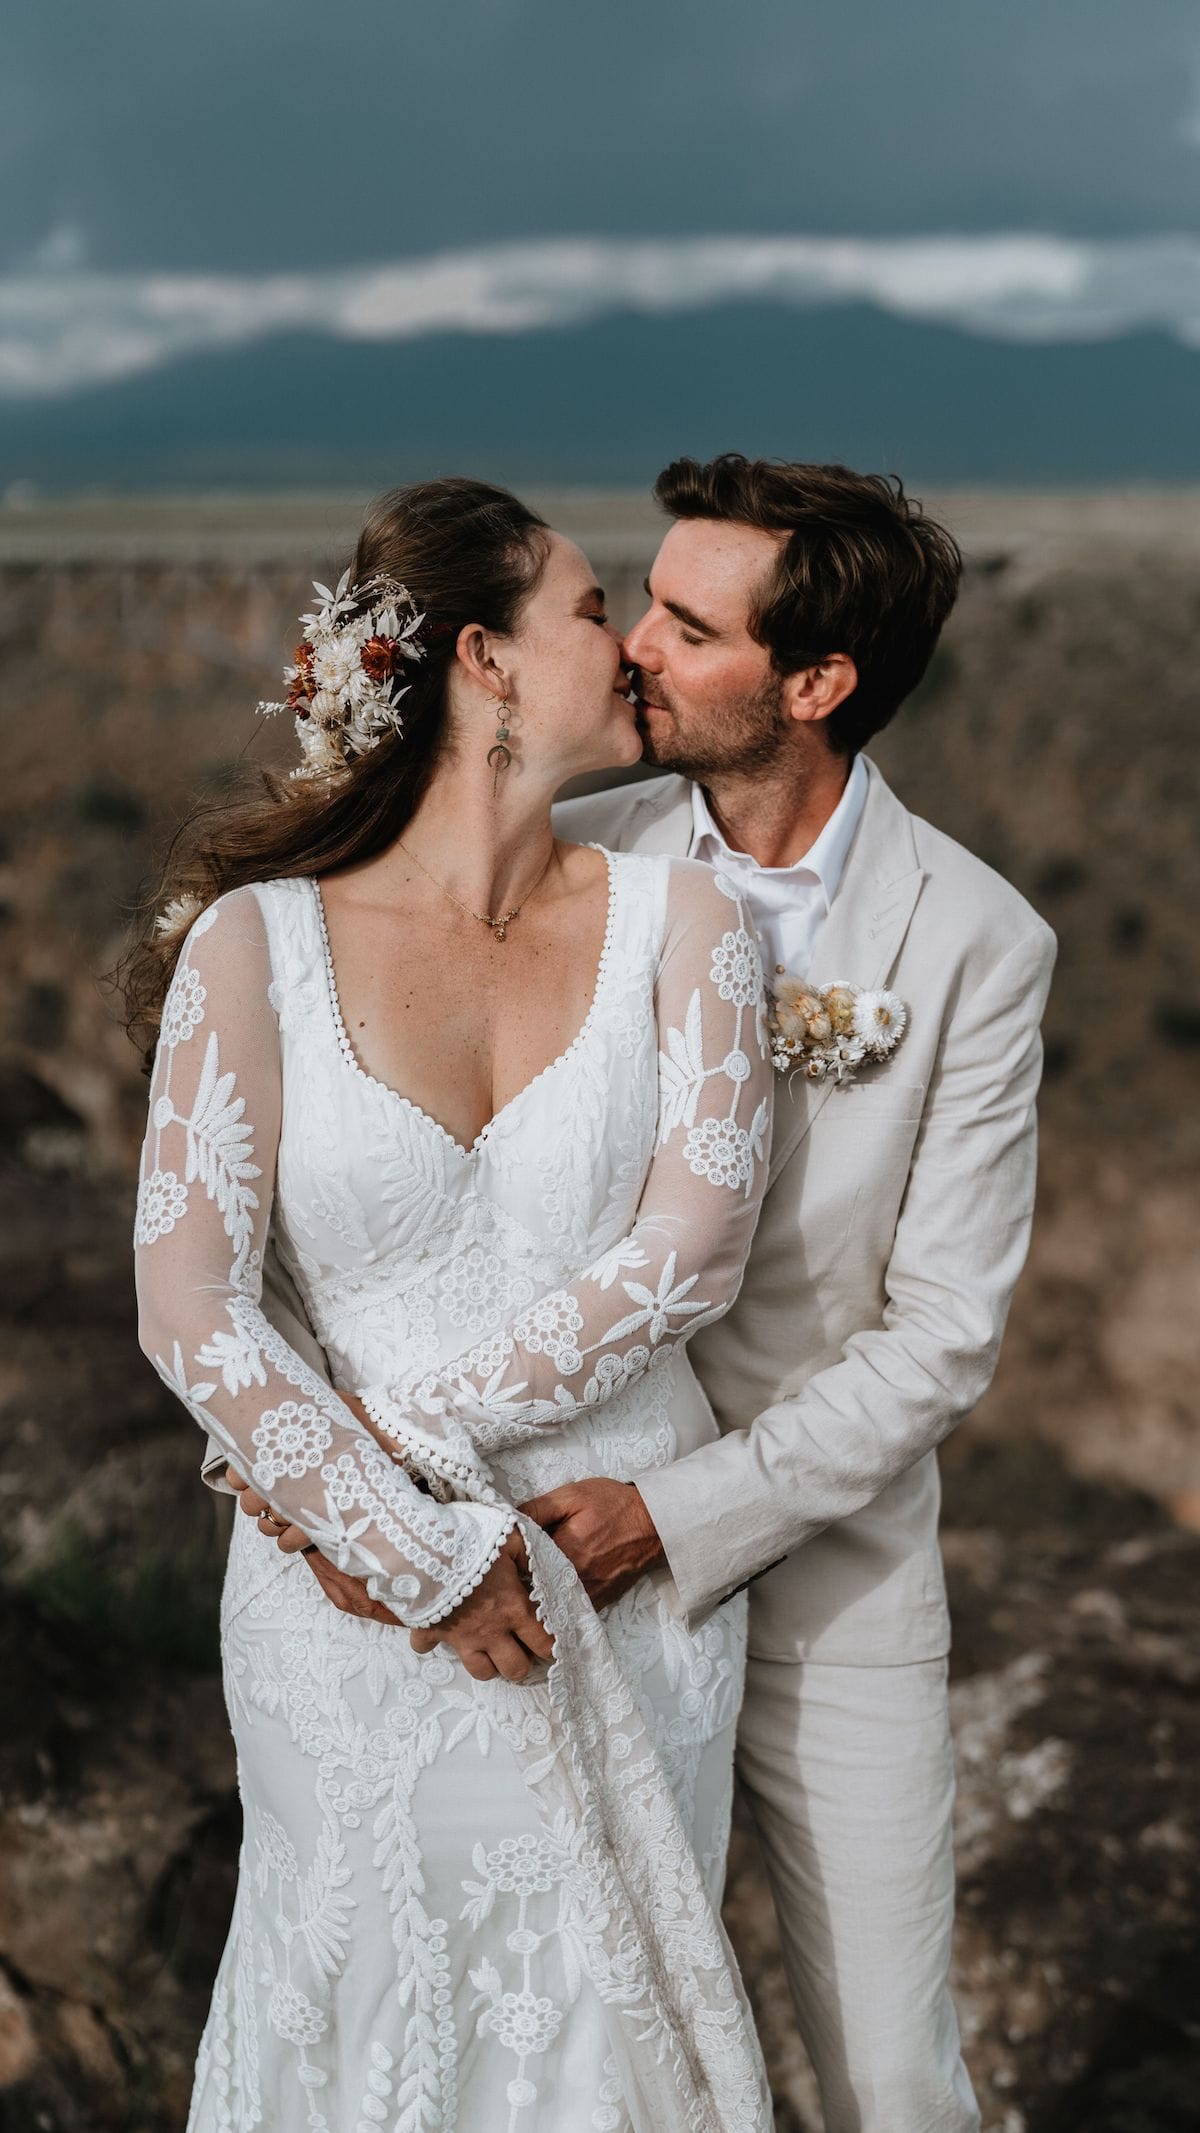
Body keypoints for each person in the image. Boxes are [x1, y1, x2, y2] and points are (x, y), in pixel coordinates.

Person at [128, 478, 776, 2133]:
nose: (631, 642)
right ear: (482, 659)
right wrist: (397, 1538)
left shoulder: (682, 924)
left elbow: (691, 1246)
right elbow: (189, 1304)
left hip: (609, 1586)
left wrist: (395, 1450)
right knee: (363, 2027)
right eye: (586, 608)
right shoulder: (253, 949)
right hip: (341, 1613)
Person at [528, 456, 1057, 2132]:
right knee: (597, 2060)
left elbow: (941, 1335)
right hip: (565, 1563)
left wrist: (678, 1514)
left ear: (816, 685)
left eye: (689, 626)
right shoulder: (568, 860)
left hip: (833, 1587)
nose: (638, 649)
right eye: (647, 603)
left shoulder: (978, 939)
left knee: (897, 2081)